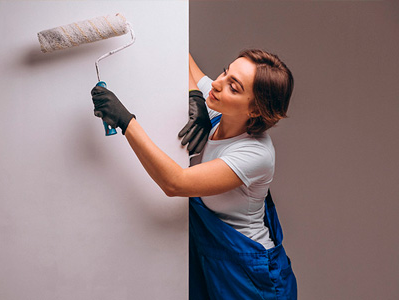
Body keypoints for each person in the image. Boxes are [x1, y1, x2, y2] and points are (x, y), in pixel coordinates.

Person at [91, 49, 297, 299]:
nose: (218, 84)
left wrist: (126, 121)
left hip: (250, 273)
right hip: (214, 259)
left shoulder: (255, 153)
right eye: (225, 71)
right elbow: (182, 54)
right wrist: (195, 96)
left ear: (255, 110)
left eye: (234, 87)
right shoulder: (218, 104)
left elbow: (175, 183)